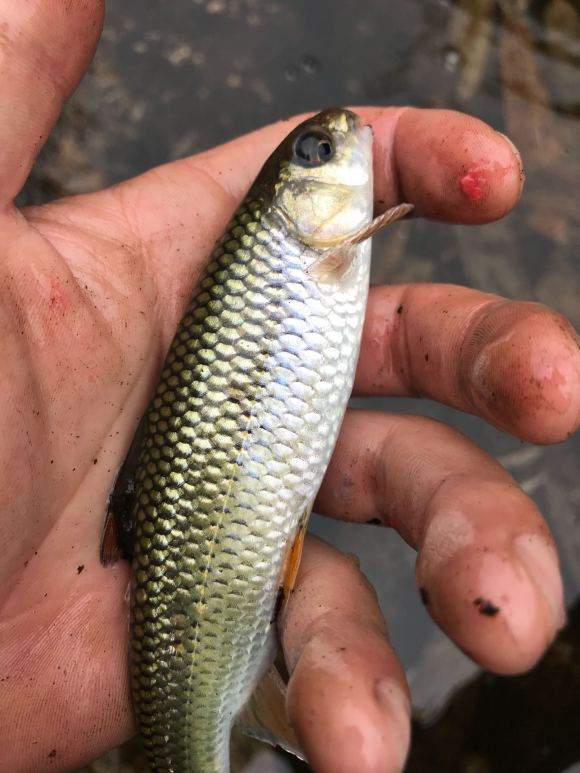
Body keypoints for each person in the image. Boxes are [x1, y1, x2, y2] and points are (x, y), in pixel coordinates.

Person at [0, 3, 578, 772]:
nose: (343, 142)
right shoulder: (308, 254)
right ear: (289, 205)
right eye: (319, 151)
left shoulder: (316, 253)